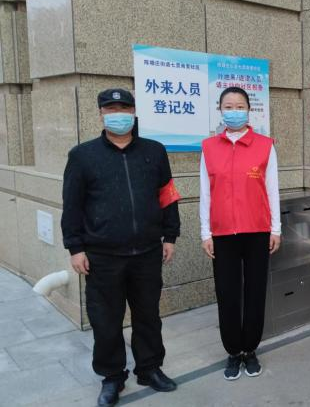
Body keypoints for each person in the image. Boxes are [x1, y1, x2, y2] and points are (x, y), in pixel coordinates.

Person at [62, 89, 181, 406]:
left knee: (148, 315)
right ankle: (112, 377)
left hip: (147, 253)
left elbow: (168, 196)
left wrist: (170, 236)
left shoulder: (154, 151)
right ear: (101, 114)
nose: (118, 114)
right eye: (111, 109)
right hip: (103, 257)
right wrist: (75, 247)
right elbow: (72, 205)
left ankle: (149, 368)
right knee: (106, 320)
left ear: (134, 112)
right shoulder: (82, 156)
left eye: (124, 108)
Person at [199, 86, 282, 381]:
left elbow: (272, 190)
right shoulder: (209, 147)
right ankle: (233, 351)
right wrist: (206, 232)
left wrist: (275, 229)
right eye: (228, 106)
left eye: (239, 106)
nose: (234, 111)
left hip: (257, 231)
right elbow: (205, 193)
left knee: (255, 291)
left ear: (249, 110)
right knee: (227, 293)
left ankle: (250, 348)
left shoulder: (265, 146)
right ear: (220, 110)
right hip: (223, 234)